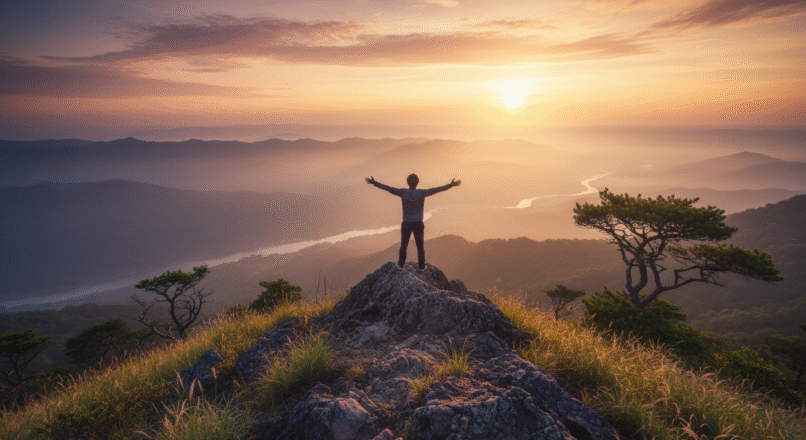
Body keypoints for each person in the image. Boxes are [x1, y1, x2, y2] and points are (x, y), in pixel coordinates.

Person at [366, 174, 461, 270]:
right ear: (417, 182)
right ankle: (421, 266)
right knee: (420, 246)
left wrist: (374, 183)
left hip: (406, 223)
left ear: (407, 182)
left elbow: (388, 188)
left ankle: (400, 264)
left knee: (404, 245)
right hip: (418, 224)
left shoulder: (403, 192)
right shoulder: (422, 193)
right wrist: (450, 185)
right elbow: (436, 190)